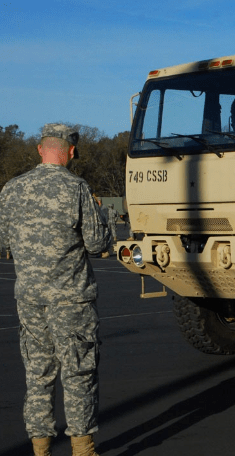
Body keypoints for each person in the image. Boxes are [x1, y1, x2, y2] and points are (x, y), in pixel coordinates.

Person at [0, 123, 111, 456]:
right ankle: (83, 449)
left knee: (38, 376)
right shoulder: (76, 189)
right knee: (78, 375)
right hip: (71, 301)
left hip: (30, 301)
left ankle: (40, 449)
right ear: (72, 151)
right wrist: (103, 213)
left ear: (39, 149)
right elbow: (97, 242)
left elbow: (3, 240)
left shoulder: (11, 189)